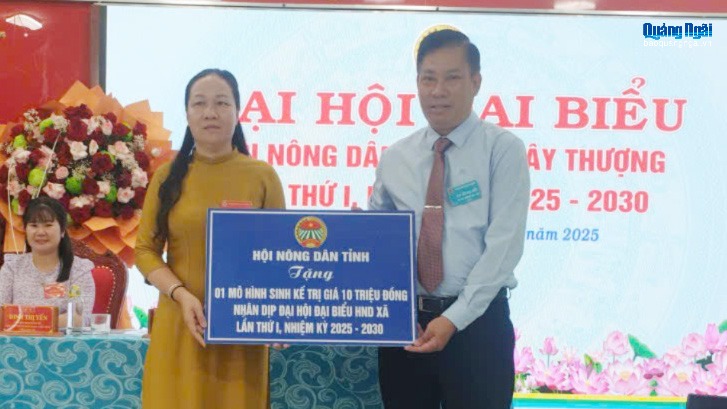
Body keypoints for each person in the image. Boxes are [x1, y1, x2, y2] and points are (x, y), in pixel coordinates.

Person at [368, 28, 530, 409]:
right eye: (428, 79)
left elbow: (503, 248)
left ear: (476, 82)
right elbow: (379, 242)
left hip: (477, 327)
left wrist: (453, 318)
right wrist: (362, 241)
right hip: (408, 328)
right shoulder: (396, 158)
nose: (438, 91)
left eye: (452, 78)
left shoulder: (503, 150)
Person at [135, 68, 285, 408]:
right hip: (179, 324)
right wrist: (181, 295)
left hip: (241, 332)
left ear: (238, 111)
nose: (210, 112)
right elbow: (144, 250)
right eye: (199, 103)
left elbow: (279, 256)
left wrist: (279, 317)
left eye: (222, 103)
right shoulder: (167, 177)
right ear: (187, 114)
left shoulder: (262, 176)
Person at [0, 196, 96, 328]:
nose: (40, 232)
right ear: (25, 230)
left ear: (62, 230)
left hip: (63, 341)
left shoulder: (79, 270)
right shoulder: (12, 267)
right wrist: (51, 320)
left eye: (48, 225)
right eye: (34, 225)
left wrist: (25, 321)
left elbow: (80, 319)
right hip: (17, 340)